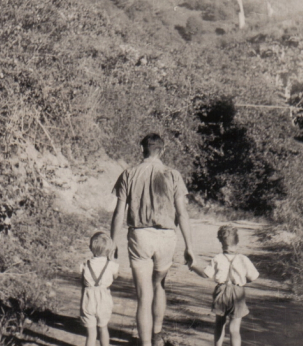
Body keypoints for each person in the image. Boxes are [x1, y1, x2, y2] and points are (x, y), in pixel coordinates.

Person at [110, 133, 196, 346]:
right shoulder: (173, 175)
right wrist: (190, 246)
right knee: (159, 285)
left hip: (140, 236)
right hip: (166, 236)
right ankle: (157, 335)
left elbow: (118, 213)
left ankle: (146, 343)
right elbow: (182, 214)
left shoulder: (128, 174)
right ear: (163, 151)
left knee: (143, 295)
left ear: (142, 150)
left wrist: (113, 242)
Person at [188, 224, 259, 346]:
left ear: (221, 242)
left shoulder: (218, 258)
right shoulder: (243, 259)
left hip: (221, 291)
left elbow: (205, 274)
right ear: (237, 241)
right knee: (234, 329)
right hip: (238, 292)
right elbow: (254, 276)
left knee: (219, 324)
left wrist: (193, 266)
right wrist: (243, 282)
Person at [80, 232, 119, 346]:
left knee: (91, 334)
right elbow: (116, 276)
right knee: (103, 328)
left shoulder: (85, 264)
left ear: (90, 248)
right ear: (109, 250)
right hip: (104, 299)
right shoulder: (111, 265)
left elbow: (82, 282)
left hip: (88, 299)